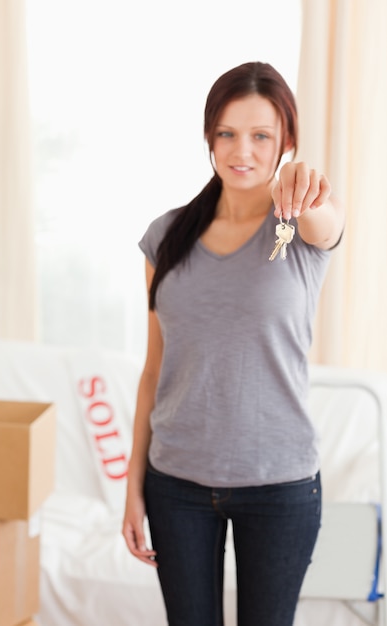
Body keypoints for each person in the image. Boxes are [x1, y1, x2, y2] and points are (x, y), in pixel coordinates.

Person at [122, 61, 345, 626]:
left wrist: (306, 185)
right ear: (209, 138)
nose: (241, 150)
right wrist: (132, 486)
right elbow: (154, 370)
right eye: (226, 133)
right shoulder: (166, 237)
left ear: (285, 143)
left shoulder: (299, 231)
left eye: (261, 135)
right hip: (176, 486)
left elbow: (327, 218)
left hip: (280, 488)